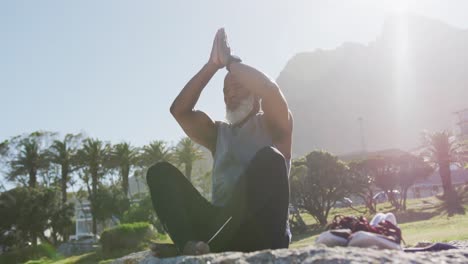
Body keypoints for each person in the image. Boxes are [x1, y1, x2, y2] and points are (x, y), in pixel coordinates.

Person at [146, 28, 293, 257]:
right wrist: (212, 66)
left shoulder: (274, 124)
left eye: (238, 86)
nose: (230, 94)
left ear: (255, 94)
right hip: (219, 231)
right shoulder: (217, 134)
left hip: (263, 232)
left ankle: (211, 246)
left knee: (270, 158)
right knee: (159, 172)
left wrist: (230, 63)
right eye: (226, 90)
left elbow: (271, 91)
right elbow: (180, 111)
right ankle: (188, 245)